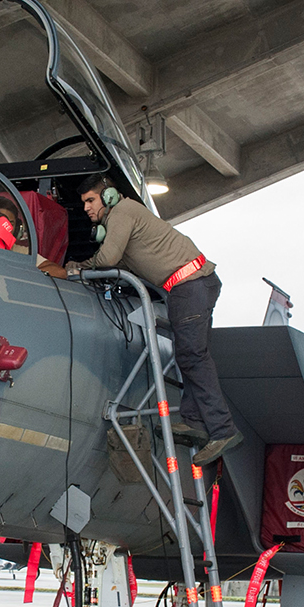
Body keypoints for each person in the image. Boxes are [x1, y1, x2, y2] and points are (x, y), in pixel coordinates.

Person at [42, 173, 241, 465]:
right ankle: (195, 421)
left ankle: (223, 430)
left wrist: (75, 270)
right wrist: (78, 267)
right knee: (190, 355)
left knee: (192, 356)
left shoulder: (122, 212)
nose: (86, 208)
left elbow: (108, 259)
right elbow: (119, 261)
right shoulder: (125, 220)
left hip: (190, 285)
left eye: (90, 200)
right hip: (190, 287)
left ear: (108, 196)